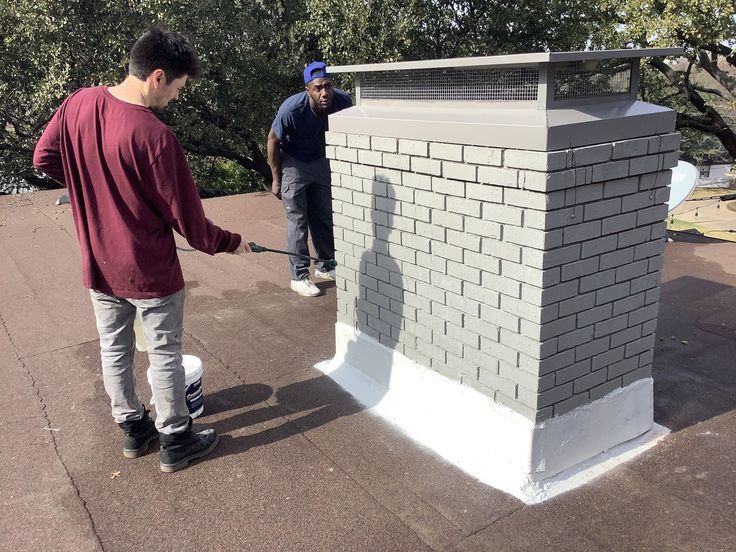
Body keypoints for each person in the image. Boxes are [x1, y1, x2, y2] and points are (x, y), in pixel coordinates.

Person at [33, 27, 251, 473]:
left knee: (114, 348)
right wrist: (232, 243)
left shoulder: (78, 103)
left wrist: (89, 185)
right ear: (157, 77)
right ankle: (176, 438)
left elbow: (43, 159)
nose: (175, 98)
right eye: (177, 88)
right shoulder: (154, 136)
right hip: (151, 272)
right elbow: (192, 226)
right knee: (164, 353)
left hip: (100, 263)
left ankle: (133, 428)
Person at [267, 61, 352, 297]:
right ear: (308, 90)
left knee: (323, 215)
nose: (324, 93)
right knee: (298, 220)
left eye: (328, 86)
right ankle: (299, 276)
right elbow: (273, 140)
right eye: (318, 88)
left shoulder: (343, 101)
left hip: (321, 160)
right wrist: (276, 179)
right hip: (294, 163)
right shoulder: (292, 109)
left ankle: (326, 266)